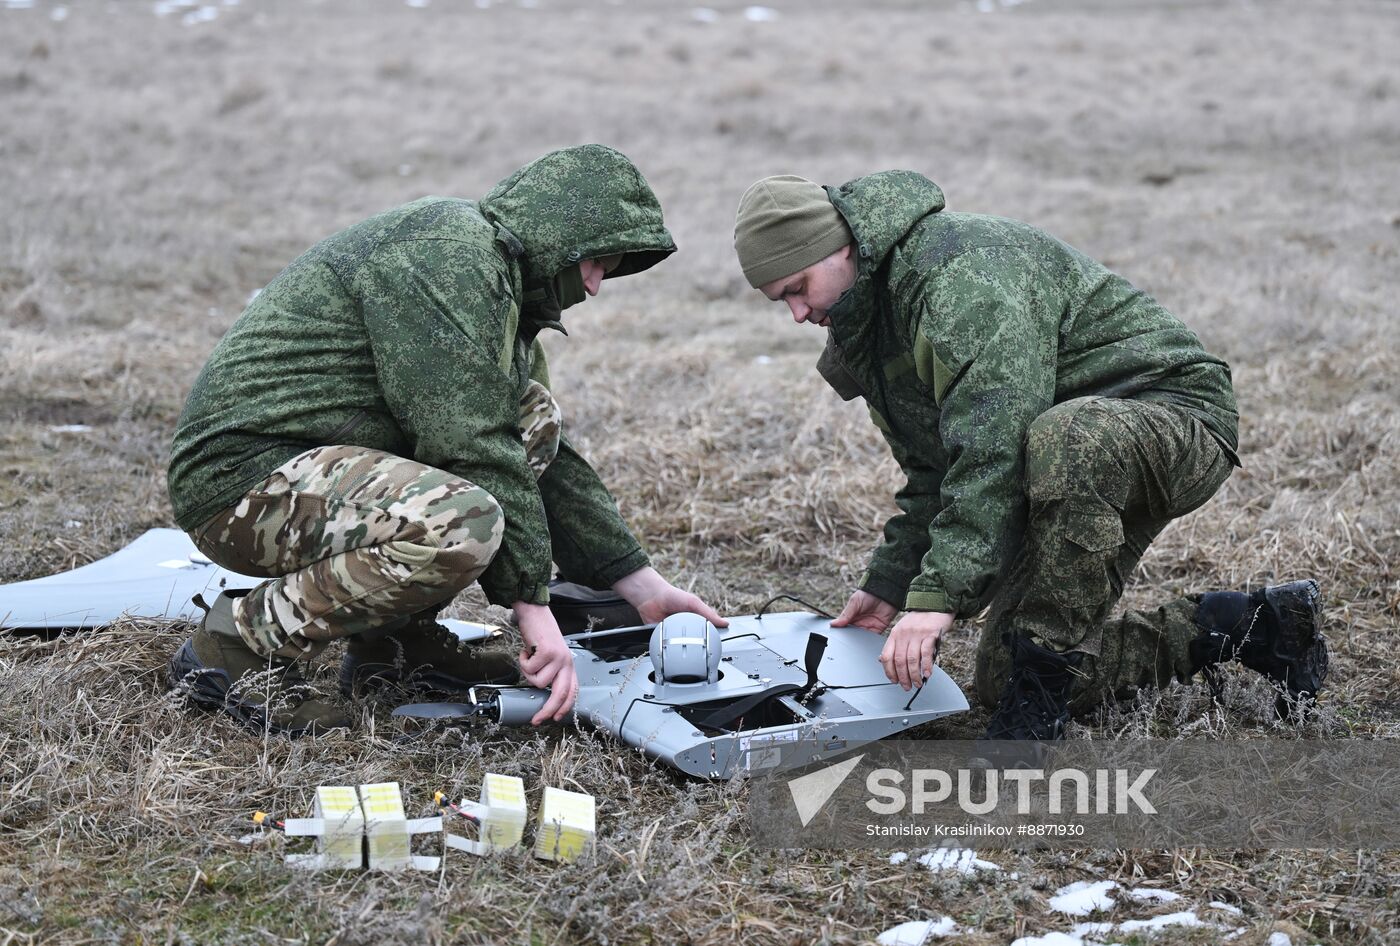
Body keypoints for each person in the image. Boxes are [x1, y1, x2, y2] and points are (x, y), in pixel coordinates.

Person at [732, 172, 1326, 740]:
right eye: (779, 301)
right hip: (1063, 459)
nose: (797, 314)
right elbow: (938, 470)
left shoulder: (958, 276)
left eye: (797, 288)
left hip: (1171, 417)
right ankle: (1250, 626)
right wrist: (893, 585)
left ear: (838, 249)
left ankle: (1037, 706)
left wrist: (937, 600)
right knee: (999, 679)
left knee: (1068, 439)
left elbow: (995, 448)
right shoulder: (867, 325)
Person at [165, 144, 725, 737]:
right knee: (459, 521)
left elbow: (531, 460)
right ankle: (234, 646)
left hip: (318, 468)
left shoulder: (503, 297)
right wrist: (533, 612)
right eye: (599, 262)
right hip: (243, 481)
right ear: (564, 234)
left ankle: (393, 643)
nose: (595, 286)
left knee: (533, 418)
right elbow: (469, 442)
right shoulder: (446, 255)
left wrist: (641, 585)